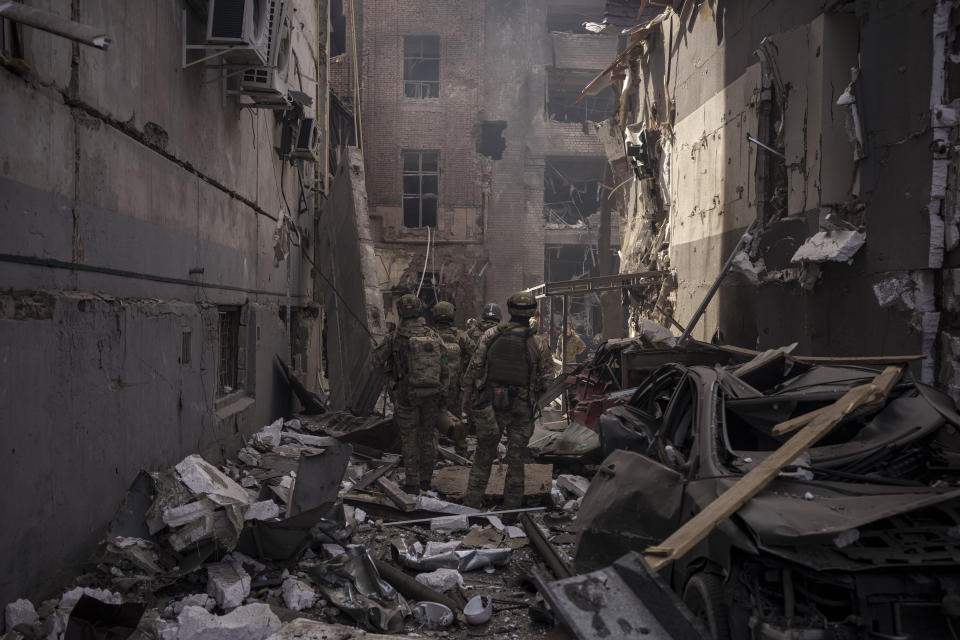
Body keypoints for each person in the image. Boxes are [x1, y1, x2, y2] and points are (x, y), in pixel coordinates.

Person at [460, 292, 554, 512]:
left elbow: (474, 369)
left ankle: (472, 506)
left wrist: (466, 397)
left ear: (509, 309)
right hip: (521, 407)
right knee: (516, 460)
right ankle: (511, 511)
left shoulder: (490, 335)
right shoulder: (537, 342)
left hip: (489, 404)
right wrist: (532, 397)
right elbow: (547, 380)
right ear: (532, 311)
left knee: (483, 454)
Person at [372, 294, 449, 494]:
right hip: (432, 394)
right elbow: (445, 364)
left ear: (400, 312)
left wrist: (391, 376)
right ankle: (426, 481)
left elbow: (376, 362)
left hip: (406, 394)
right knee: (429, 437)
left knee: (409, 438)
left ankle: (412, 483)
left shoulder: (395, 337)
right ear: (418, 310)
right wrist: (443, 391)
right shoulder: (432, 335)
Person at [431, 301, 470, 457]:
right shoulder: (460, 336)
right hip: (455, 387)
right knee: (457, 419)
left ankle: (433, 453)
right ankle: (461, 451)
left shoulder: (430, 335)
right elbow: (474, 354)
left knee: (433, 419)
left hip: (434, 385)